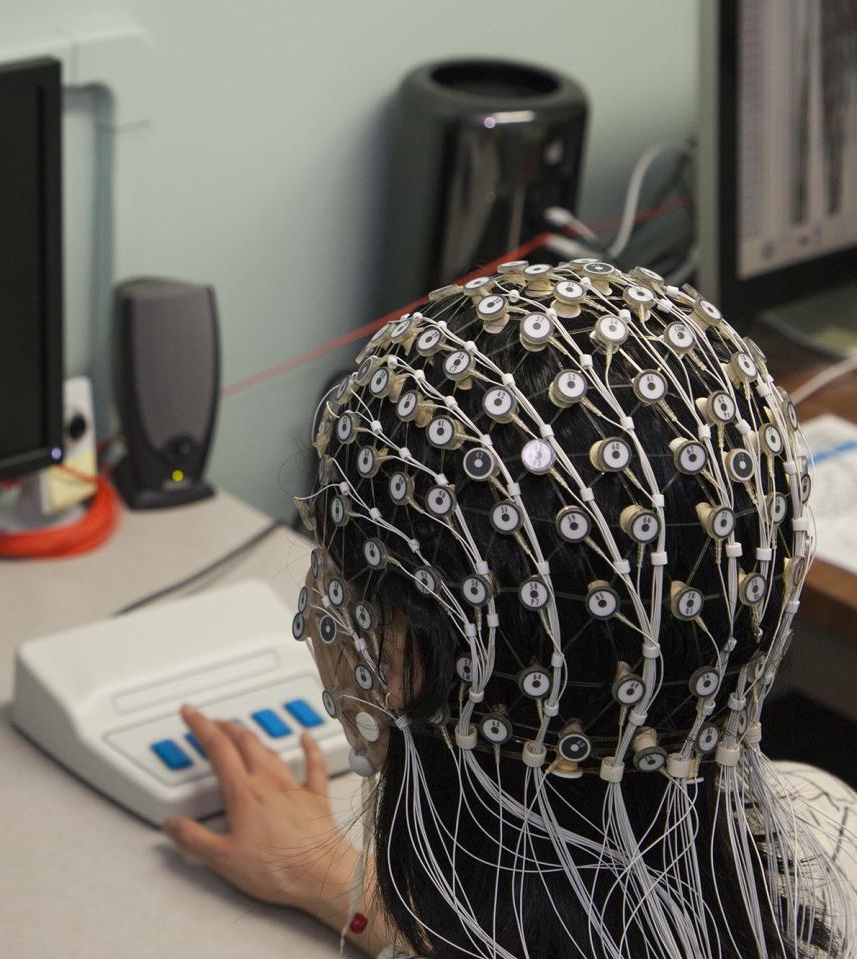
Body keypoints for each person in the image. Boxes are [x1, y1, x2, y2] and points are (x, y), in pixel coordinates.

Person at [162, 261, 857, 958]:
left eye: (328, 565)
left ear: (401, 653)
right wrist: (337, 880)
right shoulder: (834, 833)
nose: (314, 604)